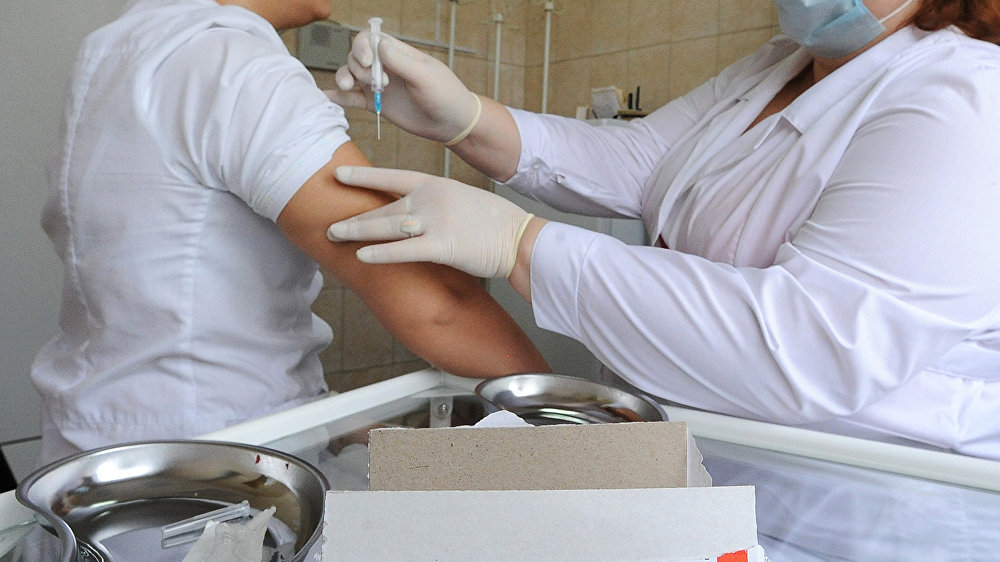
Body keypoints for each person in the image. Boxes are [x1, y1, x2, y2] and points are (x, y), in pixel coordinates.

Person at [326, 1, 1000, 558]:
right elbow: (642, 156)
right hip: (706, 479)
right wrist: (468, 119)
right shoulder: (778, 65)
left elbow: (816, 343)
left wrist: (521, 244)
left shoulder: (967, 96)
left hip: (858, 517)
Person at [30, 0, 550, 468]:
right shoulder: (233, 66)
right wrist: (560, 430)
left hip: (96, 454)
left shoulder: (111, 51)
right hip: (215, 475)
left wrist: (334, 425)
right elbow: (437, 303)